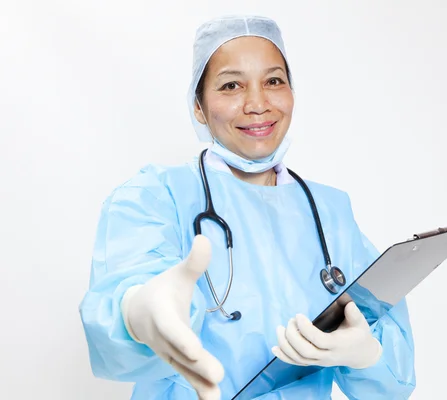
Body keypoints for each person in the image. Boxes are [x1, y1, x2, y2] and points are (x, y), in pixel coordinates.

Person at [79, 15, 416, 400]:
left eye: (273, 81)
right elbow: (119, 301)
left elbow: (390, 382)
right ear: (199, 107)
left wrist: (369, 356)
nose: (257, 104)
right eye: (231, 85)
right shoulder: (155, 196)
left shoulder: (330, 211)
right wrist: (139, 313)